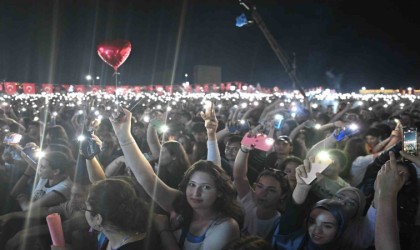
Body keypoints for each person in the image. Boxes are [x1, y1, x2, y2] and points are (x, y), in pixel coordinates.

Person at [109, 105, 243, 250]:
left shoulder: (225, 226)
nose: (195, 193)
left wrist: (164, 230)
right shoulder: (181, 204)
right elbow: (147, 178)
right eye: (192, 185)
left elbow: (214, 173)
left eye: (205, 187)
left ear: (220, 191)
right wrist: (124, 137)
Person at [234, 142, 290, 238]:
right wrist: (244, 149)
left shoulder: (280, 223)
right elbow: (239, 176)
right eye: (260, 186)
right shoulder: (249, 203)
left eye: (271, 190)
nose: (263, 193)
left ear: (283, 195)